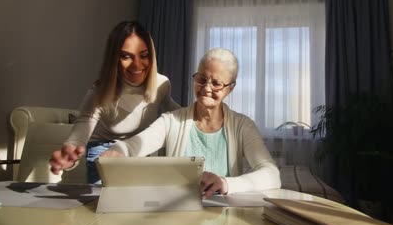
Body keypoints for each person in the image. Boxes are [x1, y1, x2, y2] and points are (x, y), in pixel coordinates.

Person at [101, 48, 281, 199]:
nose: (206, 88)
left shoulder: (243, 126)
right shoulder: (171, 120)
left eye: (216, 83)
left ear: (230, 88)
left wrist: (225, 182)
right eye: (201, 79)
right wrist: (119, 151)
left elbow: (272, 175)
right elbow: (136, 145)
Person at [49, 21, 180, 183]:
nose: (137, 65)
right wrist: (69, 155)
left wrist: (197, 114)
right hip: (104, 150)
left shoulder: (161, 84)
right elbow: (83, 125)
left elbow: (173, 110)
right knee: (103, 203)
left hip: (139, 147)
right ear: (114, 59)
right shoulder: (100, 91)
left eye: (144, 55)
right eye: (126, 56)